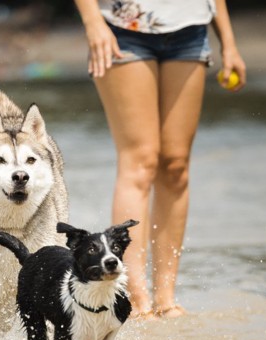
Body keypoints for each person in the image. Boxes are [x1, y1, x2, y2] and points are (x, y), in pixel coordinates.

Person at [73, 0, 246, 319]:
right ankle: (136, 297)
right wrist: (92, 22)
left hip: (191, 29)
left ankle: (166, 298)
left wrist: (229, 44)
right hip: (124, 28)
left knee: (176, 166)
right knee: (140, 161)